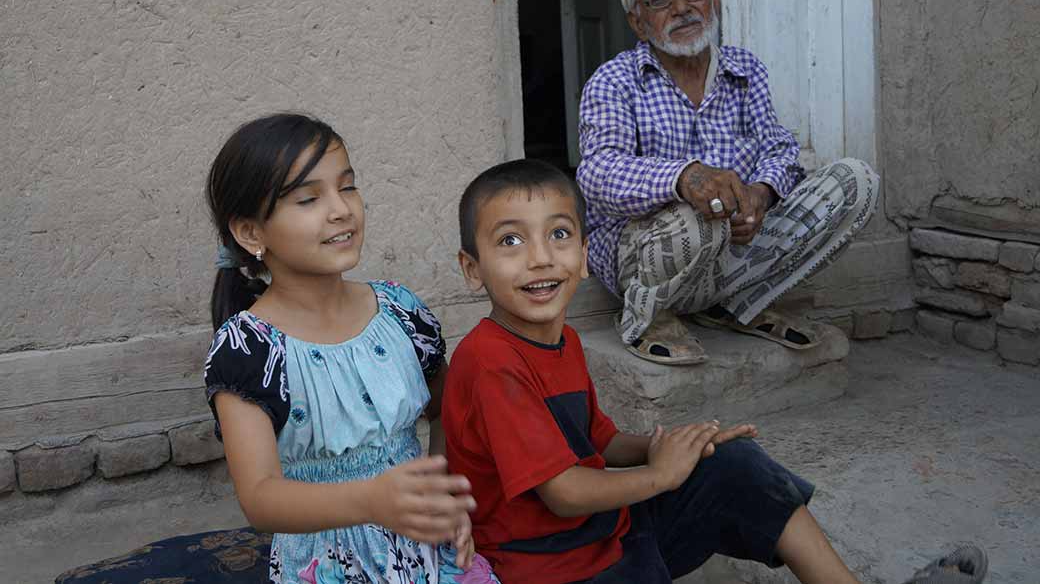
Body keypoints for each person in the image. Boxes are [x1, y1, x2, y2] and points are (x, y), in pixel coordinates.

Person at [440, 159, 986, 584]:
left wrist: (671, 445)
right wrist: (661, 475)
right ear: (472, 269)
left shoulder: (566, 341)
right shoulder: (490, 363)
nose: (539, 258)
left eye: (558, 235)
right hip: (549, 568)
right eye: (510, 241)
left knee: (734, 466)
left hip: (602, 538)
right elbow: (562, 491)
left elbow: (598, 441)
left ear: (583, 256)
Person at [202, 113, 499, 584]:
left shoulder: (400, 312)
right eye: (308, 198)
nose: (341, 209)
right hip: (327, 565)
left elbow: (447, 410)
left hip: (428, 551)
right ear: (251, 233)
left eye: (348, 187)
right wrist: (371, 500)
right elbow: (260, 498)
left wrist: (436, 496)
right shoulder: (248, 351)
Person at [577, 0, 881, 364]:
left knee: (856, 181)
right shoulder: (615, 80)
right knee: (700, 215)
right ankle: (650, 315)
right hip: (652, 256)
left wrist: (762, 192)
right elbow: (597, 173)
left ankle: (738, 302)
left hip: (731, 251)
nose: (681, 7)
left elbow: (778, 146)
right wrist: (685, 178)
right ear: (639, 22)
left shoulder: (745, 69)